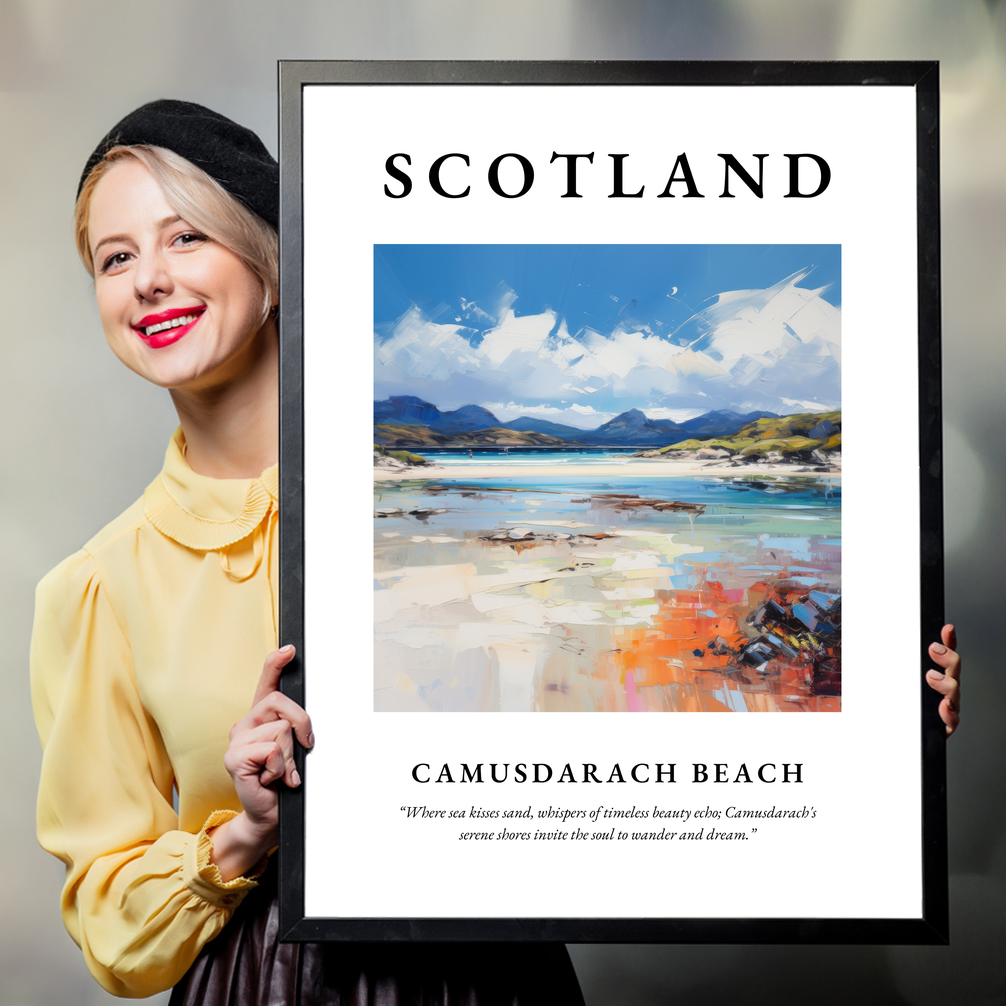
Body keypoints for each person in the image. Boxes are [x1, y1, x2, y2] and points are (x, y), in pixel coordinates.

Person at [30, 100, 586, 1004]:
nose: (148, 281)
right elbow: (110, 923)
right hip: (262, 982)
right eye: (116, 257)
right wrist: (245, 832)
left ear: (273, 263)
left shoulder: (444, 507)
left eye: (186, 238)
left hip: (492, 973)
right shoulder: (97, 587)